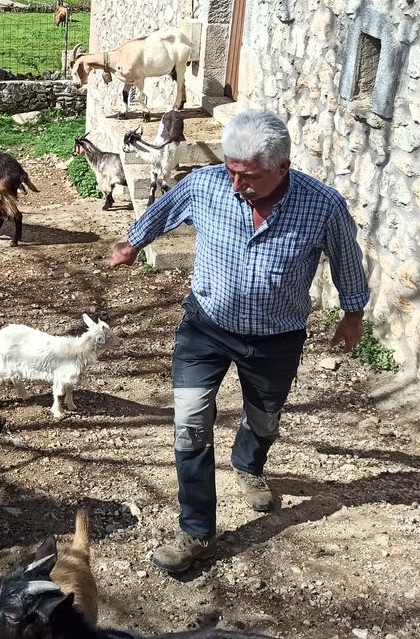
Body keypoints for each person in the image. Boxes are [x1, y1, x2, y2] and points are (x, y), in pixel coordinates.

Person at [111, 109, 369, 574]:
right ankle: (196, 532)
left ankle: (249, 465)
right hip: (205, 328)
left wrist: (353, 314)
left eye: (248, 177)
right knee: (189, 424)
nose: (235, 185)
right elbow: (164, 210)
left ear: (282, 167)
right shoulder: (206, 184)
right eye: (231, 172)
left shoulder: (322, 205)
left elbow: (347, 259)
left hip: (275, 340)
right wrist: (132, 243)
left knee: (263, 418)